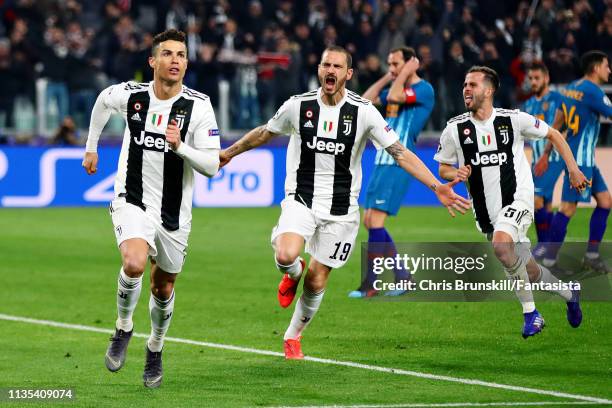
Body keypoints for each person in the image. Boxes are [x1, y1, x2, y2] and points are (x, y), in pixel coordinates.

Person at [219, 46, 470, 359]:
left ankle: (292, 337)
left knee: (317, 279)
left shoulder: (363, 111)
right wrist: (228, 153)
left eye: (337, 66)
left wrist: (436, 185)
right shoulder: (298, 106)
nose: (330, 70)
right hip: (302, 200)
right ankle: (291, 273)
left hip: (341, 212)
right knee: (286, 255)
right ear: (319, 69)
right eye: (326, 64)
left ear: (348, 74)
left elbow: (400, 152)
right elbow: (264, 133)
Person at [81, 29, 221, 388]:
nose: (175, 60)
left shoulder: (199, 105)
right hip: (133, 199)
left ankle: (155, 347)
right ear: (153, 61)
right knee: (134, 262)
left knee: (163, 288)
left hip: (174, 215)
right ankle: (123, 326)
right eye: (168, 54)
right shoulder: (132, 95)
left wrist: (181, 148)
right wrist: (91, 146)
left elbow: (211, 165)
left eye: (181, 55)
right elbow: (102, 100)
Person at [434, 66, 588, 338]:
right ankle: (569, 293)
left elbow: (554, 133)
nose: (466, 89)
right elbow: (443, 168)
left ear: (489, 90)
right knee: (526, 268)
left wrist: (573, 169)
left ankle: (531, 315)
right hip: (486, 213)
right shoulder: (454, 129)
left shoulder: (513, 120)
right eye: (465, 85)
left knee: (501, 245)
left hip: (518, 200)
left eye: (472, 84)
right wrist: (454, 173)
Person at [350, 46, 435, 298]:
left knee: (375, 221)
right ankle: (402, 276)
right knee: (369, 221)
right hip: (382, 159)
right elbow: (364, 102)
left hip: (401, 160)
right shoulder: (395, 84)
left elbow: (397, 95)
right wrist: (390, 75)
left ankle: (371, 284)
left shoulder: (423, 90)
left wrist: (404, 73)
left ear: (411, 64)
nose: (391, 68)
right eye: (389, 63)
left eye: (396, 63)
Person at [539, 51, 612, 273]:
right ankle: (549, 261)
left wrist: (546, 151)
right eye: (607, 65)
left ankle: (591, 255)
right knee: (568, 208)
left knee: (605, 200)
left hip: (583, 157)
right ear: (596, 67)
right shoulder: (593, 91)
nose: (609, 70)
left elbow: (558, 121)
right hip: (580, 161)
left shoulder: (571, 87)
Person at [521, 62, 566, 258]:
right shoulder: (528, 104)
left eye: (537, 78)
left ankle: (544, 245)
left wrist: (546, 155)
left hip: (552, 157)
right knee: (545, 204)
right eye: (530, 78)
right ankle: (549, 249)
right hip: (537, 159)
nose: (533, 82)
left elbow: (560, 126)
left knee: (536, 198)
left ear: (546, 78)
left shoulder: (557, 99)